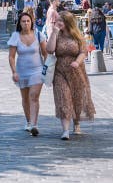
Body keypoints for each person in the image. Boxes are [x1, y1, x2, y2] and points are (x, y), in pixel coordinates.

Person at [46, 11, 96, 140]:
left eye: (60, 21)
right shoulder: (56, 34)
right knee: (64, 97)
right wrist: (54, 32)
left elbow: (83, 51)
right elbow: (50, 50)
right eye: (57, 21)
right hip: (60, 71)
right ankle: (65, 130)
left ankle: (77, 123)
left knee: (76, 98)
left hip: (76, 70)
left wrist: (77, 62)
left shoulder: (77, 36)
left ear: (68, 22)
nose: (58, 23)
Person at [8, 11, 46, 136]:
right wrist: (14, 72)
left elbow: (45, 53)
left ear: (31, 22)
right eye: (23, 21)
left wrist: (47, 69)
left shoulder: (38, 35)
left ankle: (34, 124)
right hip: (22, 71)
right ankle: (29, 121)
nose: (26, 23)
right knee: (25, 98)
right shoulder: (15, 36)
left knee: (34, 96)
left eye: (28, 21)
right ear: (19, 23)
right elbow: (12, 56)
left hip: (37, 70)